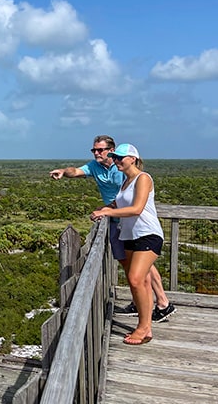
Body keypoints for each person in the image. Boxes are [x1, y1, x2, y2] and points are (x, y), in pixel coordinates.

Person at [50, 135, 175, 323]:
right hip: (118, 221)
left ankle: (161, 304)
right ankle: (141, 303)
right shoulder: (97, 167)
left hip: (133, 222)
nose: (97, 153)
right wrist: (62, 171)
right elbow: (74, 171)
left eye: (101, 150)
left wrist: (108, 211)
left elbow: (137, 202)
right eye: (94, 150)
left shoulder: (126, 170)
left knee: (142, 267)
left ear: (112, 150)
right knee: (129, 264)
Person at [90, 144, 166, 344]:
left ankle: (143, 328)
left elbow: (137, 208)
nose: (116, 161)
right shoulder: (126, 181)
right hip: (130, 235)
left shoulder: (143, 178)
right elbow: (119, 203)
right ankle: (146, 325)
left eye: (120, 158)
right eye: (114, 157)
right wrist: (106, 207)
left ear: (133, 158)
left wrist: (106, 212)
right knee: (143, 282)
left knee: (135, 279)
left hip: (148, 234)